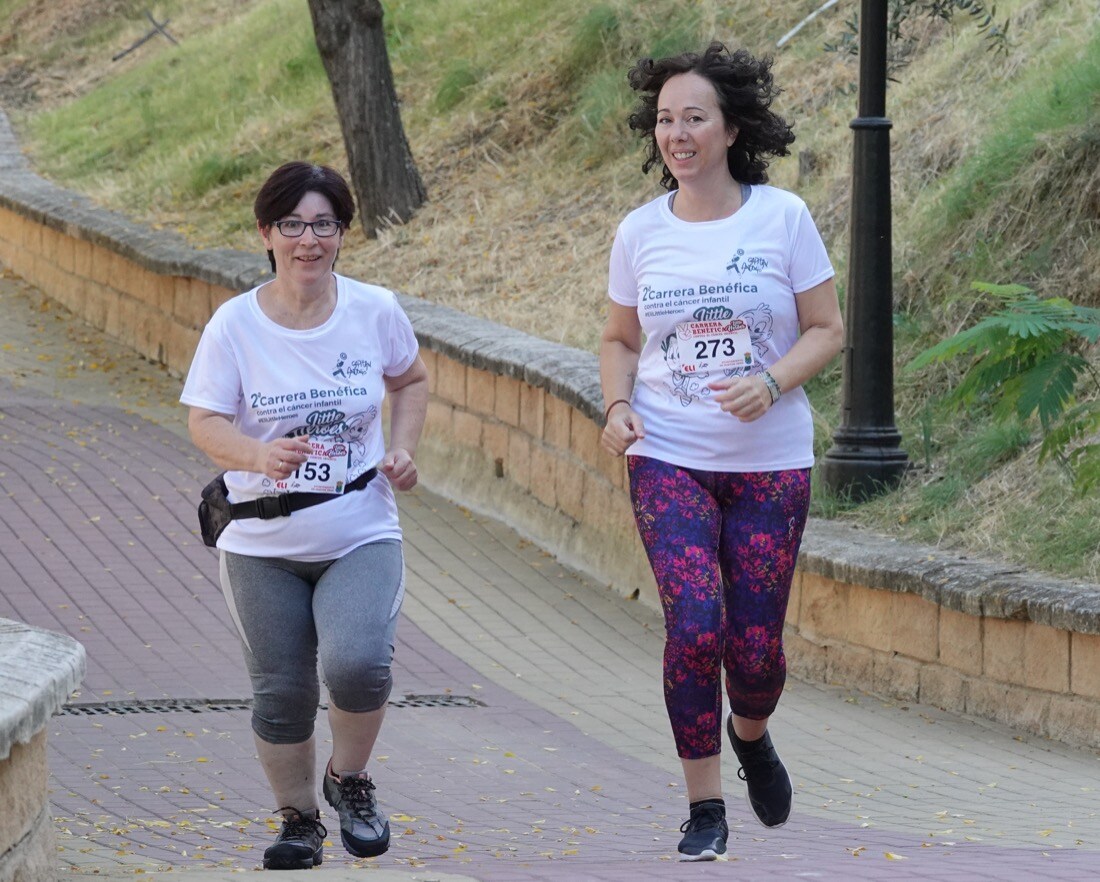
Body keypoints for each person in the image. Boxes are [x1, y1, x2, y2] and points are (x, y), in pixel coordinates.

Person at [599, 43, 843, 861]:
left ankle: (753, 734)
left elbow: (827, 330)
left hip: (771, 464)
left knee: (755, 651)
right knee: (696, 626)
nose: (677, 133)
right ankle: (704, 807)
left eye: (693, 117)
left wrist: (772, 384)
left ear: (732, 127)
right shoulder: (640, 232)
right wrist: (619, 405)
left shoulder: (783, 217)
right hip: (668, 456)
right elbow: (618, 337)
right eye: (665, 120)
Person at [180, 161, 429, 870]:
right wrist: (257, 457)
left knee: (358, 665)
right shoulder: (235, 325)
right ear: (267, 233)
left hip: (360, 527)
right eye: (292, 225)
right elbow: (205, 421)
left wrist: (403, 449)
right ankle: (297, 821)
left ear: (343, 234)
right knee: (283, 690)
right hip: (261, 539)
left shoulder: (374, 309)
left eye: (324, 224)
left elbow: (410, 378)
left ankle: (349, 781)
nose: (308, 240)